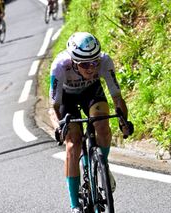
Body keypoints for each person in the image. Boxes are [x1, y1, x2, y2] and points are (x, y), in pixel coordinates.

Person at [49, 32, 133, 213]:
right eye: (85, 64)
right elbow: (55, 105)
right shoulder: (60, 67)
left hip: (91, 92)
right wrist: (61, 125)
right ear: (73, 62)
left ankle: (102, 166)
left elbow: (117, 97)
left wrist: (124, 122)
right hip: (67, 99)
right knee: (73, 144)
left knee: (102, 126)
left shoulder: (105, 61)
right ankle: (75, 205)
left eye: (95, 62)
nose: (91, 69)